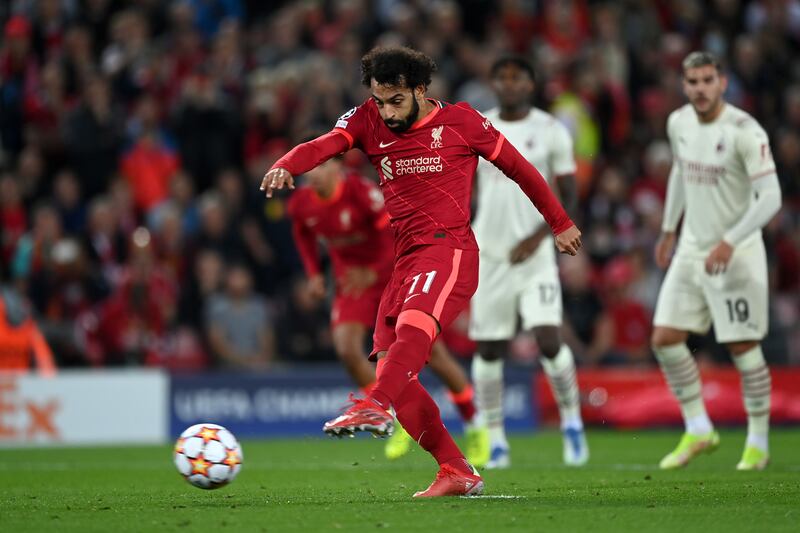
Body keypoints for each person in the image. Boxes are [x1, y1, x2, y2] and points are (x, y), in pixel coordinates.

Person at [261, 46, 581, 497]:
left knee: (414, 333)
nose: (387, 112)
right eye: (379, 100)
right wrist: (286, 163)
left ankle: (375, 404)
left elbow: (521, 169)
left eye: (396, 101)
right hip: (405, 259)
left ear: (420, 90)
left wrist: (560, 222)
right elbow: (324, 145)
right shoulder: (366, 119)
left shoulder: (463, 122)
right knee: (394, 365)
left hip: (449, 249)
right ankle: (455, 468)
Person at [286, 152, 489, 465]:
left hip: (391, 273)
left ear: (339, 165)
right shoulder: (301, 203)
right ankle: (390, 414)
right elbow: (302, 234)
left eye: (323, 164)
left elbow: (392, 238)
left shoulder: (363, 194)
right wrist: (314, 274)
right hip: (353, 283)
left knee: (432, 354)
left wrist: (374, 271)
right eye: (310, 166)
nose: (314, 173)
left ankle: (475, 423)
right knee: (347, 349)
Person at [652, 51, 781, 471]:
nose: (700, 89)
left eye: (708, 80)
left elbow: (772, 198)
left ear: (722, 83)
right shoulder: (679, 123)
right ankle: (698, 427)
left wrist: (730, 241)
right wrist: (670, 229)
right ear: (684, 85)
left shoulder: (745, 130)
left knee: (742, 347)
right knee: (665, 338)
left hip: (736, 252)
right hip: (691, 248)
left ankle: (758, 442)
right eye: (692, 81)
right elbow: (680, 173)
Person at [469, 56, 588, 469]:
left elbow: (569, 194)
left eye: (516, 78)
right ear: (493, 84)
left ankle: (572, 422)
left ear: (531, 83)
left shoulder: (550, 130)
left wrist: (541, 235)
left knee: (548, 338)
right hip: (489, 254)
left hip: (535, 255)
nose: (508, 85)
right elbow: (462, 187)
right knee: (488, 348)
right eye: (501, 78)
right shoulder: (477, 125)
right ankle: (495, 437)